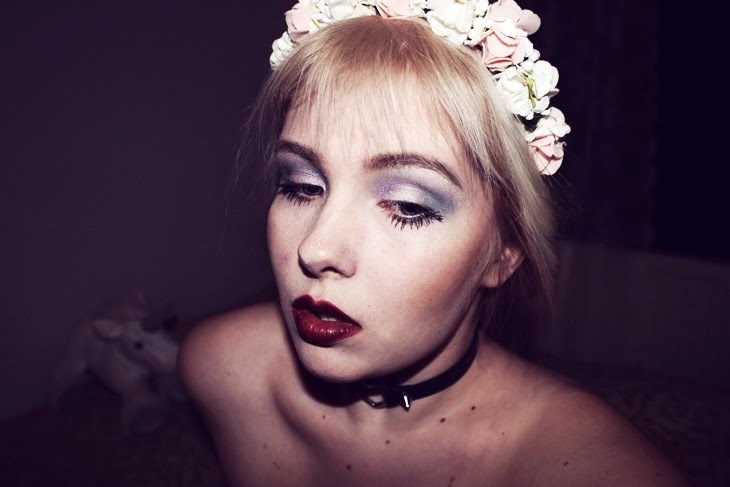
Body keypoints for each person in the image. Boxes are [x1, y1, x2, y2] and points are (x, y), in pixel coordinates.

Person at [179, 1, 690, 485]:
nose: (316, 249)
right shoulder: (222, 371)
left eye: (408, 206)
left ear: (504, 253)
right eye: (301, 185)